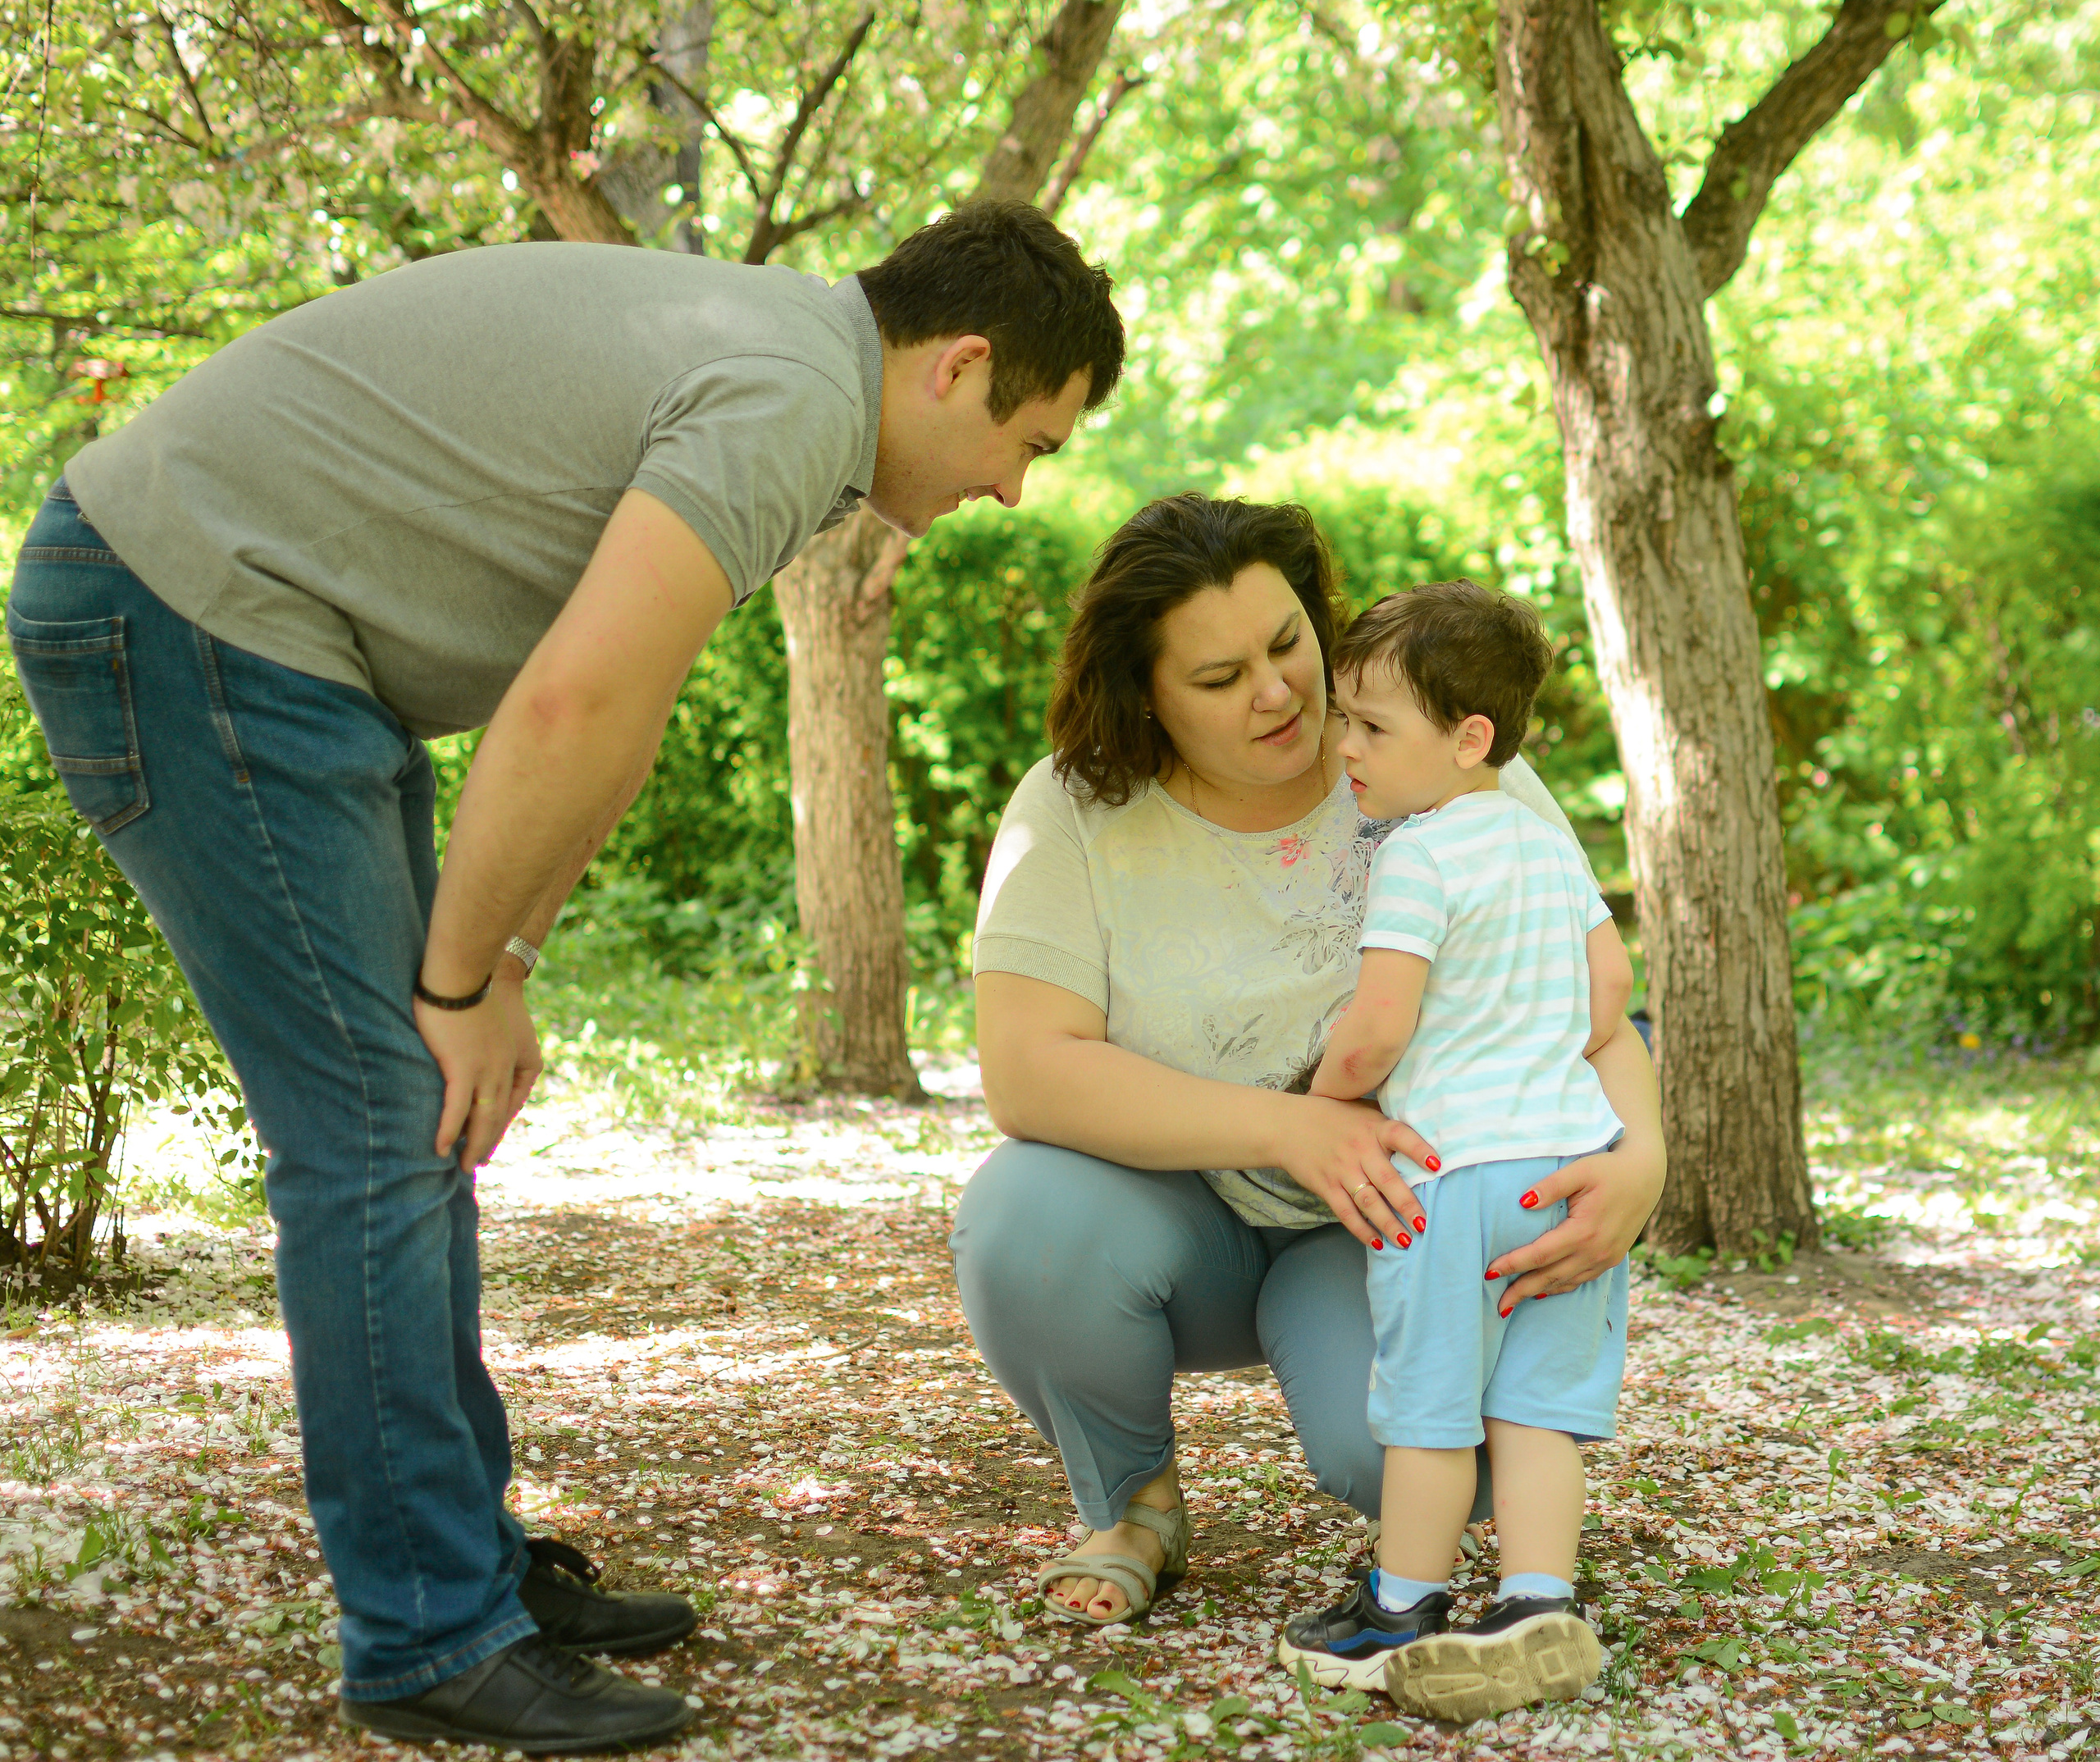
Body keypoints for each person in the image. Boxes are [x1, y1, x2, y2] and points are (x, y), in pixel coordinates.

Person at [5, 199, 1124, 1754]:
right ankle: (425, 1635)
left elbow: (611, 709)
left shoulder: (778, 364)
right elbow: (570, 703)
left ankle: (463, 1568)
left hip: (276, 642)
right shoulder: (796, 396)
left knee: (417, 1120)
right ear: (963, 364)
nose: (1012, 489)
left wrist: (503, 961)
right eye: (1034, 444)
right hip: (192, 614)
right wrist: (461, 986)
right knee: (379, 1131)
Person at [952, 494, 1665, 1629]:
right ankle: (1133, 1505)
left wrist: (1644, 1162)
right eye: (1220, 677)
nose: (1279, 693)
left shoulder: (1449, 761)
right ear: (1147, 695)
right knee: (1024, 1219)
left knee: (1411, 1456)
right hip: (1179, 1213)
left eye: (1289, 646)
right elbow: (1027, 1071)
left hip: (1401, 1214)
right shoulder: (1073, 809)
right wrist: (1291, 1127)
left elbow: (1582, 1004)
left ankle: (1453, 1570)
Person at [1272, 580, 1632, 1720]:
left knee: (1429, 1409)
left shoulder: (1416, 857)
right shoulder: (1543, 844)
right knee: (1536, 1410)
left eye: (1373, 726)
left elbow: (1378, 1027)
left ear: (1469, 738)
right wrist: (1535, 1052)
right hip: (1566, 1169)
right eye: (1345, 718)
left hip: (1455, 1178)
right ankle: (1537, 1603)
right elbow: (1610, 992)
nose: (1347, 747)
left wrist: (1327, 1099)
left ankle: (1399, 1609)